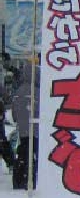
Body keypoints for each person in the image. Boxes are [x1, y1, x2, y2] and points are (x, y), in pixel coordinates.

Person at [11, 58, 39, 189]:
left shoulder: (18, 91)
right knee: (35, 152)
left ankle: (20, 178)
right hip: (37, 128)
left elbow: (14, 112)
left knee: (23, 152)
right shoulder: (39, 92)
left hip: (23, 129)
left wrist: (19, 120)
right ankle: (32, 178)